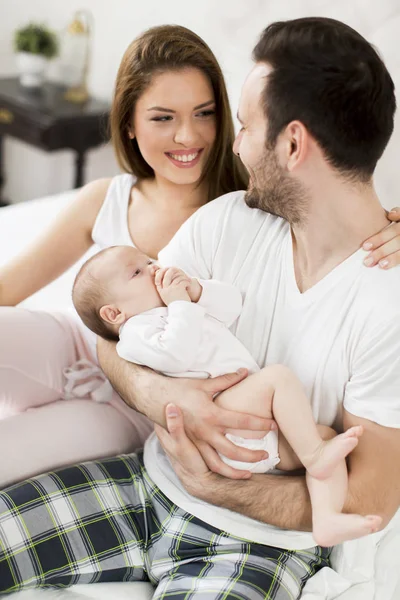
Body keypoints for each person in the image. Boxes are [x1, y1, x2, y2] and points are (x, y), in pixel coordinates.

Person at [1, 17, 400, 599]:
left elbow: (370, 496)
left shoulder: (385, 304)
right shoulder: (225, 220)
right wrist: (163, 398)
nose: (232, 145)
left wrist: (216, 487)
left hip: (256, 543)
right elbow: (114, 336)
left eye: (242, 125)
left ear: (292, 144)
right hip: (144, 485)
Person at [72, 243, 381, 547]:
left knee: (323, 435)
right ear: (114, 313)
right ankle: (314, 456)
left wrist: (196, 292)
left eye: (150, 260)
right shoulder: (136, 333)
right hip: (219, 419)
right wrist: (181, 305)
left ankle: (326, 518)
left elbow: (233, 306)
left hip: (248, 429)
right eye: (138, 271)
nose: (155, 268)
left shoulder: (182, 308)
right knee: (276, 378)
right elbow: (176, 355)